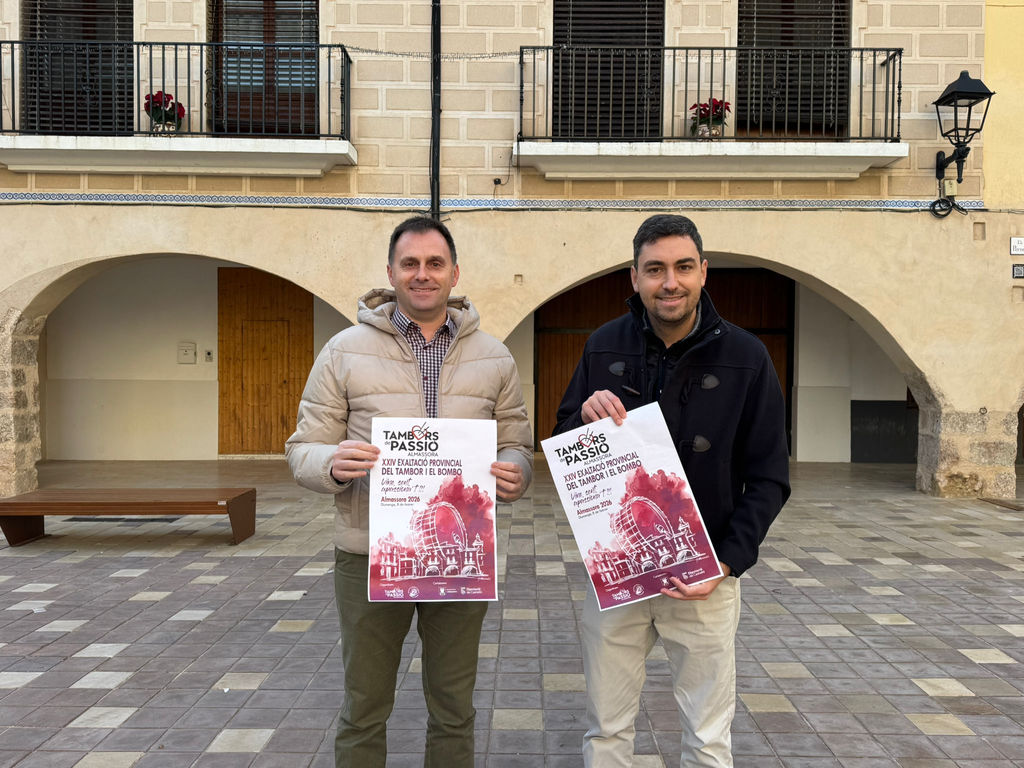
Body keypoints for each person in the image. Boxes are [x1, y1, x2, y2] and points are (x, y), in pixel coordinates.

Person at [286, 215, 533, 768]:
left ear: (454, 273)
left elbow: (516, 442)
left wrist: (517, 471)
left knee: (454, 707)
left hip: (460, 556)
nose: (423, 274)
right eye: (411, 264)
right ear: (391, 272)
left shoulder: (494, 356)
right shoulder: (344, 350)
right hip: (370, 552)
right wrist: (332, 462)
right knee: (364, 706)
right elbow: (303, 449)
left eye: (434, 263)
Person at [553, 214, 790, 767]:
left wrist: (725, 563)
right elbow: (564, 442)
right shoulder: (602, 345)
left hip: (705, 579)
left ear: (703, 272)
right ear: (634, 277)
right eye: (655, 269)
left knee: (707, 737)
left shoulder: (747, 355)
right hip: (618, 572)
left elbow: (770, 477)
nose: (670, 282)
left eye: (683, 267)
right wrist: (582, 419)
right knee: (606, 729)